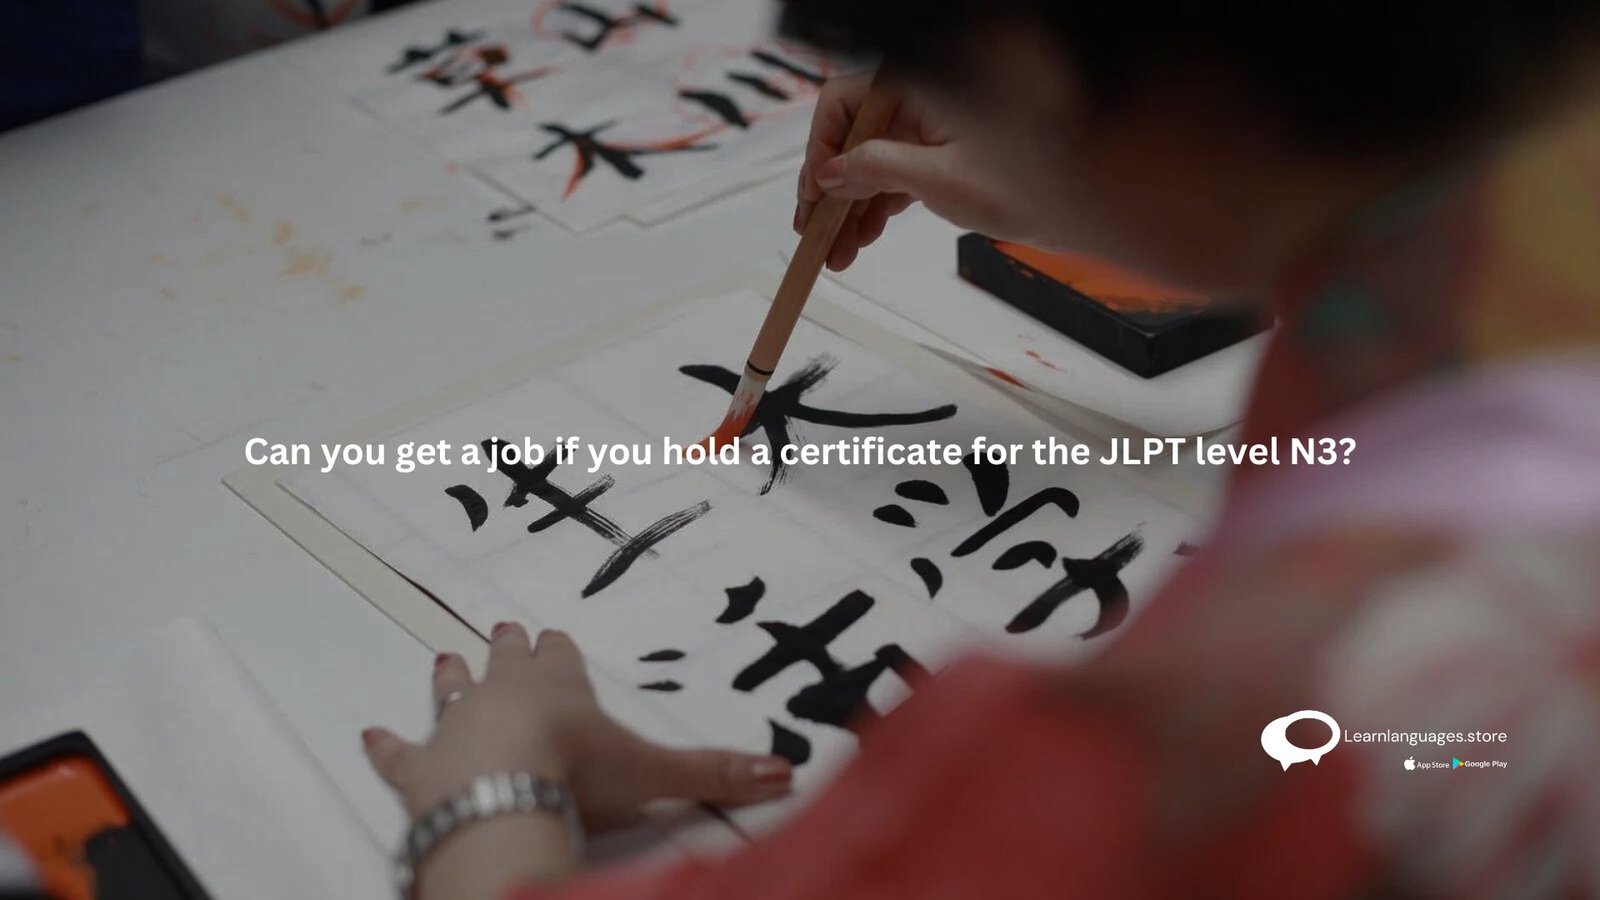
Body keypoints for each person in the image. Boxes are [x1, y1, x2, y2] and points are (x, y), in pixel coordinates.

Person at [360, 2, 1600, 897]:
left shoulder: (1233, 731)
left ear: (1025, 60)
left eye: (934, 67)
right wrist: (1101, 173)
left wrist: (490, 795)